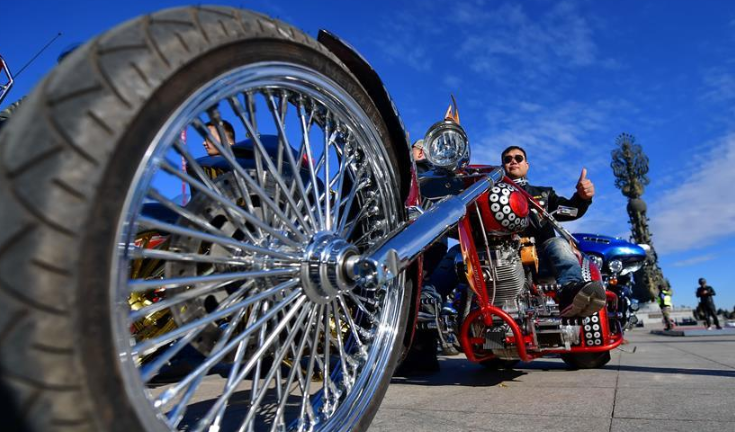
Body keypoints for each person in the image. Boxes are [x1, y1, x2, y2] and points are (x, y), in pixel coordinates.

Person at [501, 145, 605, 317]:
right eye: (508, 159)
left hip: (544, 256)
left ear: (526, 165)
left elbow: (571, 211)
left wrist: (582, 198)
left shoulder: (544, 194)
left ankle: (571, 291)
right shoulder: (493, 196)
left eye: (518, 158)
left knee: (559, 243)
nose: (513, 161)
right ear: (503, 166)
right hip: (505, 259)